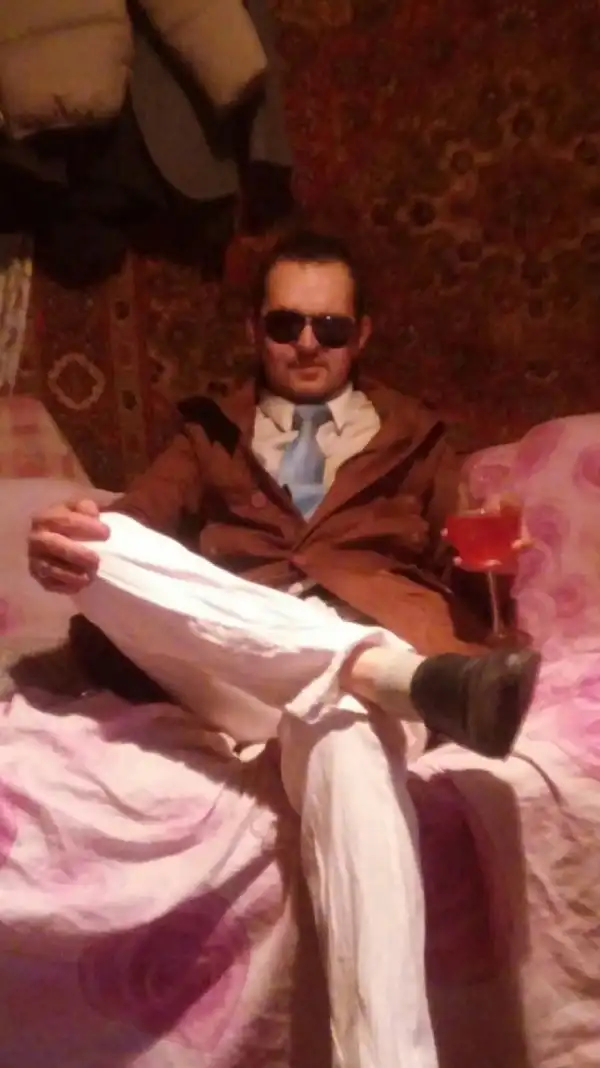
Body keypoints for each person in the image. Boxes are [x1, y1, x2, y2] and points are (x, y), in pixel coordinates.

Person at [28, 228, 539, 758]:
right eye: (285, 325)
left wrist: (496, 566)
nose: (308, 344)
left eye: (331, 329)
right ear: (255, 330)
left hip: (372, 625)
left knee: (345, 736)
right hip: (237, 657)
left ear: (361, 336)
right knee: (102, 543)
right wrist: (70, 537)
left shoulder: (416, 436)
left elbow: (464, 579)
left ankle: (364, 686)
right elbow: (133, 525)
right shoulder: (208, 433)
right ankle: (404, 684)